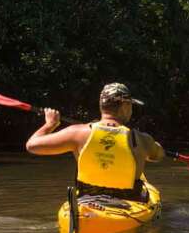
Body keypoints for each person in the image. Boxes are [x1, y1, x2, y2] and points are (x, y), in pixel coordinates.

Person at [25, 83, 164, 202]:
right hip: (128, 204)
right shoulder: (142, 139)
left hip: (87, 203)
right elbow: (159, 155)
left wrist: (50, 124)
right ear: (125, 106)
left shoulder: (77, 133)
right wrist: (150, 147)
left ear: (102, 105)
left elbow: (32, 146)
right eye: (131, 106)